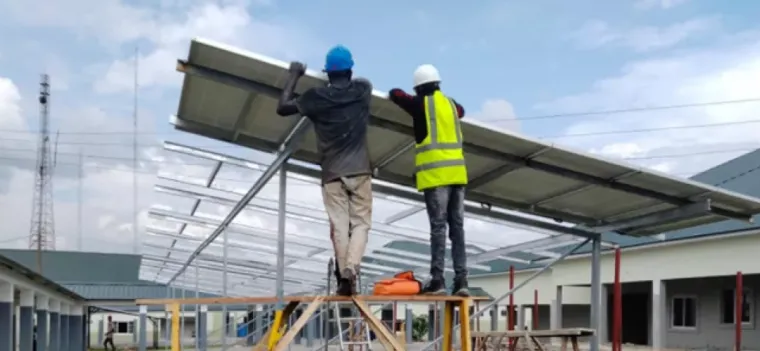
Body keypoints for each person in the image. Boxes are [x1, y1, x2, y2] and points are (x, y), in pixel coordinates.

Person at [276, 45, 374, 296]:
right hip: (360, 170)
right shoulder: (363, 91)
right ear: (349, 71)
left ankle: (344, 276)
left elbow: (283, 106)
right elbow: (361, 81)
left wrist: (295, 74)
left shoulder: (316, 98)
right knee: (361, 223)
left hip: (331, 174)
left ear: (328, 74)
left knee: (339, 226)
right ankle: (351, 268)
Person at [387, 64, 469, 296]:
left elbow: (396, 95)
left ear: (419, 88)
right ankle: (462, 281)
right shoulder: (452, 105)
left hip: (437, 177)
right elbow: (463, 110)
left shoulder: (421, 104)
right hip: (458, 176)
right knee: (458, 229)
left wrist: (403, 94)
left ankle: (438, 280)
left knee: (438, 229)